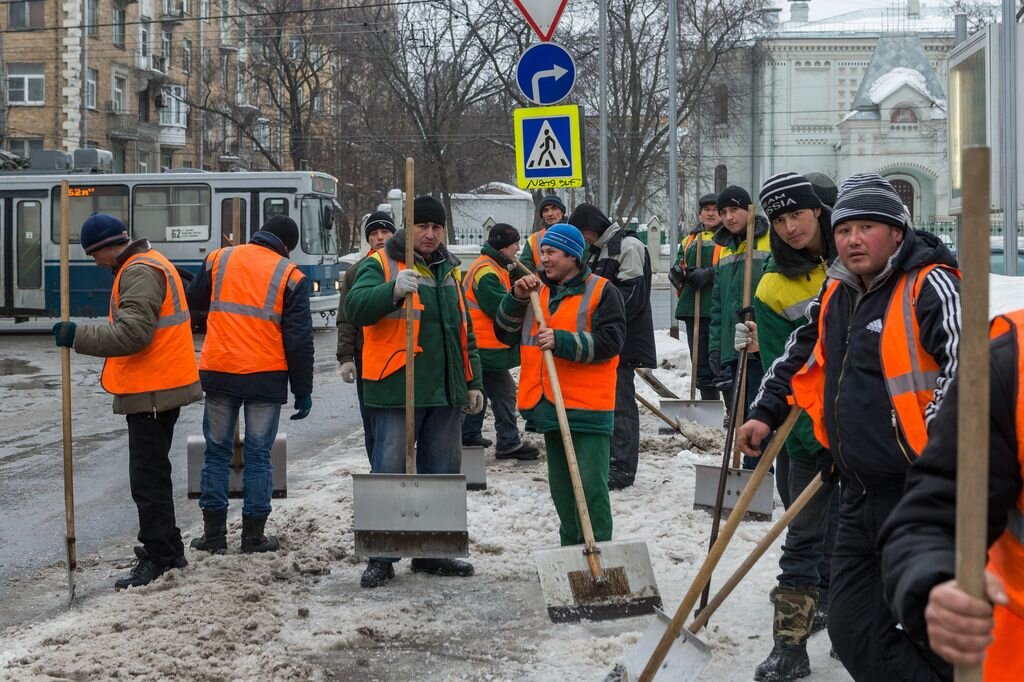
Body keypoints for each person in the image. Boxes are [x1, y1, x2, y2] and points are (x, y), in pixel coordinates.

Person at [737, 173, 962, 681]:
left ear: (898, 233)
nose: (853, 239)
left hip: (920, 495)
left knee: (934, 631)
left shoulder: (931, 284)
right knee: (852, 630)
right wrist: (763, 411)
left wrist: (934, 443)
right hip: (857, 489)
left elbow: (967, 368)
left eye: (867, 227)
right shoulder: (838, 291)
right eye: (845, 229)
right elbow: (800, 353)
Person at [52, 214, 201, 589]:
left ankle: (161, 557)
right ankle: (167, 547)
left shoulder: (138, 271)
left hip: (153, 389)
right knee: (153, 476)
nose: (95, 262)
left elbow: (133, 335)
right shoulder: (149, 263)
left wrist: (76, 336)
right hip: (158, 385)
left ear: (106, 248)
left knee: (147, 481)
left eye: (94, 255)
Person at [344, 195, 484, 588]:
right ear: (409, 228)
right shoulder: (382, 263)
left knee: (441, 474)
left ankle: (434, 552)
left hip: (443, 391)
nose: (430, 234)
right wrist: (391, 290)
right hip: (395, 388)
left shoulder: (450, 272)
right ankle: (381, 555)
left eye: (437, 227)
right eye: (422, 226)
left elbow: (463, 332)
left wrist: (472, 382)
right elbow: (354, 308)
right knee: (388, 471)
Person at [880, 309, 1024, 680]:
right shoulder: (1009, 362)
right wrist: (936, 581)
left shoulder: (929, 285)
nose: (851, 245)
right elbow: (931, 518)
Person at [738, 172, 840, 681]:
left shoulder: (856, 258)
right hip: (808, 435)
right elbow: (786, 368)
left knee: (860, 539)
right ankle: (790, 646)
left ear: (819, 211)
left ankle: (850, 625)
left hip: (872, 432)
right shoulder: (774, 284)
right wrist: (805, 440)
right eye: (779, 220)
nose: (790, 227)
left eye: (797, 213)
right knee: (802, 538)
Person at [186, 215, 314, 555]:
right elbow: (299, 340)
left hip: (220, 370)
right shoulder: (291, 275)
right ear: (287, 245)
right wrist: (303, 390)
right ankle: (253, 537)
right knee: (259, 457)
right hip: (265, 377)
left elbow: (194, 300)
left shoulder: (219, 258)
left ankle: (213, 536)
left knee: (216, 453)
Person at [494, 223, 626, 546]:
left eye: (551, 252)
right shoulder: (536, 291)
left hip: (589, 408)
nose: (544, 258)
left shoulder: (602, 290)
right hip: (550, 405)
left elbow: (612, 341)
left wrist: (562, 341)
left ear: (573, 256)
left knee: (591, 487)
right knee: (562, 489)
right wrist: (515, 298)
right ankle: (571, 551)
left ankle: (600, 552)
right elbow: (504, 333)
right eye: (543, 252)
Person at [568, 203, 655, 490]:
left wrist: (602, 319)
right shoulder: (600, 250)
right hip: (606, 338)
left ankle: (622, 468)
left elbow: (632, 297)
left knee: (620, 405)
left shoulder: (628, 246)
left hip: (622, 339)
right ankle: (611, 461)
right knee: (608, 401)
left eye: (582, 234)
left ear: (590, 229)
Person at [460, 223, 540, 460]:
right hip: (485, 346)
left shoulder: (494, 266)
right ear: (504, 246)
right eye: (515, 243)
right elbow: (500, 307)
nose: (518, 248)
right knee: (504, 393)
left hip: (484, 346)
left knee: (481, 390)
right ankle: (508, 442)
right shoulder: (487, 272)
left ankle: (469, 434)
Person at [708, 185, 771, 462]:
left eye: (734, 210)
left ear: (748, 209)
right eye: (723, 212)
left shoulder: (769, 243)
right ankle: (747, 466)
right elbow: (718, 305)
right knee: (739, 411)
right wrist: (715, 347)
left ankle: (755, 471)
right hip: (732, 345)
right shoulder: (723, 250)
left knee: (757, 411)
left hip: (760, 344)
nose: (729, 217)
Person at [337, 211, 397, 461]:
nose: (380, 237)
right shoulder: (357, 272)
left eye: (385, 232)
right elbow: (346, 317)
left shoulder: (405, 266)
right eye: (374, 233)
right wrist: (346, 357)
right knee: (371, 416)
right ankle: (377, 465)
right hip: (368, 356)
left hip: (402, 353)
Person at [670, 193, 723, 401]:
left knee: (718, 360)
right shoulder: (689, 240)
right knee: (699, 362)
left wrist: (709, 274)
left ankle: (725, 406)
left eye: (714, 210)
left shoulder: (728, 239)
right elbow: (679, 263)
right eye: (706, 210)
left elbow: (734, 269)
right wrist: (677, 273)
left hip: (716, 308)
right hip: (693, 309)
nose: (710, 214)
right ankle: (708, 402)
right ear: (700, 214)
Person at [520, 194, 566, 274]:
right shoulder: (533, 240)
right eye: (545, 210)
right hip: (542, 286)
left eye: (554, 208)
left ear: (562, 212)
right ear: (542, 216)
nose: (550, 214)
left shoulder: (575, 235)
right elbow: (523, 270)